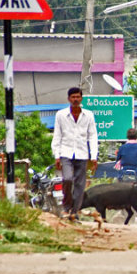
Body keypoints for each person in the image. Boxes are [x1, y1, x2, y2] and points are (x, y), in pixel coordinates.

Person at [51, 86, 98, 220]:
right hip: (65, 153)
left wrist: (94, 156)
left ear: (81, 98)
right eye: (73, 97)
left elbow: (93, 136)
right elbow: (57, 135)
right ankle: (66, 206)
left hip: (82, 154)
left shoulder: (88, 115)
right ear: (69, 99)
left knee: (80, 185)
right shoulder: (61, 115)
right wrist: (57, 155)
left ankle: (74, 211)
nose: (76, 99)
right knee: (67, 179)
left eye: (78, 97)